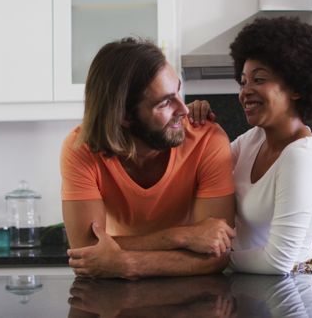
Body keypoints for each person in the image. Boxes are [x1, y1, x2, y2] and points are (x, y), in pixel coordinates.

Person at [60, 37, 236, 279]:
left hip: (190, 296)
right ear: (124, 116)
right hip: (113, 298)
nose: (183, 110)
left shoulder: (208, 140)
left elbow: (216, 254)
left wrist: (128, 264)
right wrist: (183, 236)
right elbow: (86, 251)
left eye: (178, 91)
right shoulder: (80, 149)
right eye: (165, 102)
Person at [188, 16, 312, 274]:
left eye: (259, 80)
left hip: (288, 296)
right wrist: (193, 124)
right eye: (243, 81)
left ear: (296, 87)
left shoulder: (301, 157)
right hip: (254, 288)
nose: (245, 91)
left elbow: (278, 261)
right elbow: (203, 171)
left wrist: (212, 260)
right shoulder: (254, 139)